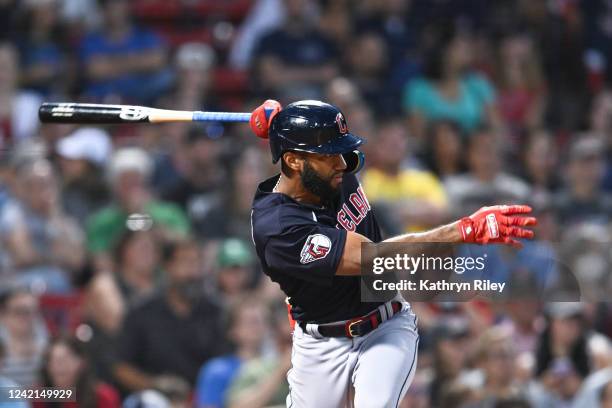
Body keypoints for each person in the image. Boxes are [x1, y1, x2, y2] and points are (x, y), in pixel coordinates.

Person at [249, 100, 536, 407]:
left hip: (383, 327)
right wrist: (460, 230)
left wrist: (285, 121)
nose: (343, 164)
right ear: (293, 161)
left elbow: (336, 142)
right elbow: (371, 259)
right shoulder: (278, 228)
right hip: (321, 345)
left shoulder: (325, 168)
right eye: (329, 156)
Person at [113, 239, 225, 393]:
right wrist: (154, 385)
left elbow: (229, 362)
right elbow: (121, 368)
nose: (193, 273)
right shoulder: (141, 312)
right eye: (186, 263)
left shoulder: (216, 312)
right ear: (167, 267)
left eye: (198, 264)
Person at [34, 336, 120, 408]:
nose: (59, 366)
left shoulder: (103, 396)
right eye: (53, 360)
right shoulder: (40, 397)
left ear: (81, 363)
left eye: (65, 359)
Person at [0, 287, 47, 387]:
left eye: (31, 311)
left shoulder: (48, 346)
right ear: (3, 315)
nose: (26, 317)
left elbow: (65, 394)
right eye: (19, 311)